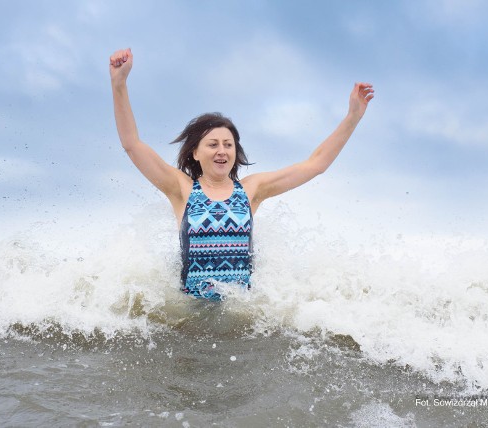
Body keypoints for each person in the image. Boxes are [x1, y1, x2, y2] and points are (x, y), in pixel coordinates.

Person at [110, 48, 374, 301]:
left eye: (228, 144)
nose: (221, 150)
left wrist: (352, 117)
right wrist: (119, 85)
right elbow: (132, 144)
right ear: (195, 153)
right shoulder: (182, 189)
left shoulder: (251, 190)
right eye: (212, 145)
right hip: (192, 315)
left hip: (241, 318)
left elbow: (315, 164)